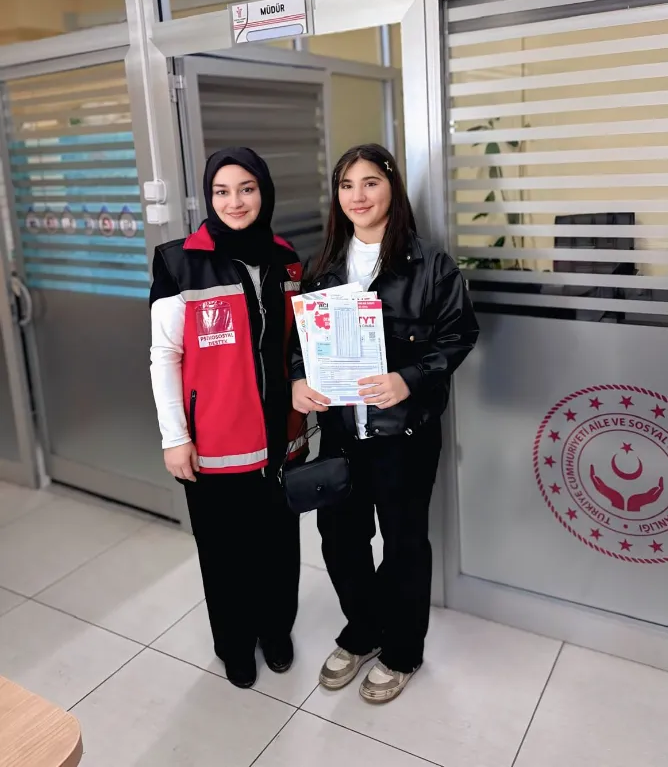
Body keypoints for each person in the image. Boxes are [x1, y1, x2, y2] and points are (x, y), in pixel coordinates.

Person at [291, 143, 479, 704]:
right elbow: (302, 344)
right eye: (346, 185)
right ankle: (365, 628)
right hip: (342, 433)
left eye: (370, 182)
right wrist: (298, 380)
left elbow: (460, 334)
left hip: (404, 434)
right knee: (340, 539)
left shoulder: (431, 265)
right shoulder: (322, 267)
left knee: (402, 544)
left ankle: (402, 649)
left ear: (392, 188)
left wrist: (410, 378)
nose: (358, 196)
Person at [149, 146, 307, 689]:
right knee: (225, 554)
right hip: (214, 443)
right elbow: (164, 357)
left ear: (264, 193)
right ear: (208, 197)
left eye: (246, 189)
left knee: (280, 547)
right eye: (222, 191)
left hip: (282, 438)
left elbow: (297, 345)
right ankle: (235, 645)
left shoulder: (286, 258)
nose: (234, 202)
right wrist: (175, 437)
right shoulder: (179, 261)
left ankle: (276, 631)